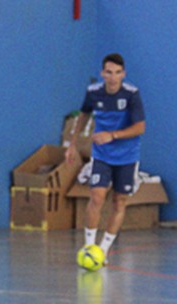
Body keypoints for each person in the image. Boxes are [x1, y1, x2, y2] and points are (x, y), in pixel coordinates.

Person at [65, 53, 145, 263]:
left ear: (123, 74)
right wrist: (72, 144)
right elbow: (83, 115)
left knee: (119, 202)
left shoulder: (131, 94)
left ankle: (104, 249)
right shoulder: (93, 93)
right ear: (102, 73)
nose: (113, 77)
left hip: (127, 156)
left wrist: (112, 135)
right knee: (97, 197)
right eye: (108, 72)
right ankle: (89, 246)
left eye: (117, 73)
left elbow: (140, 127)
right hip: (102, 156)